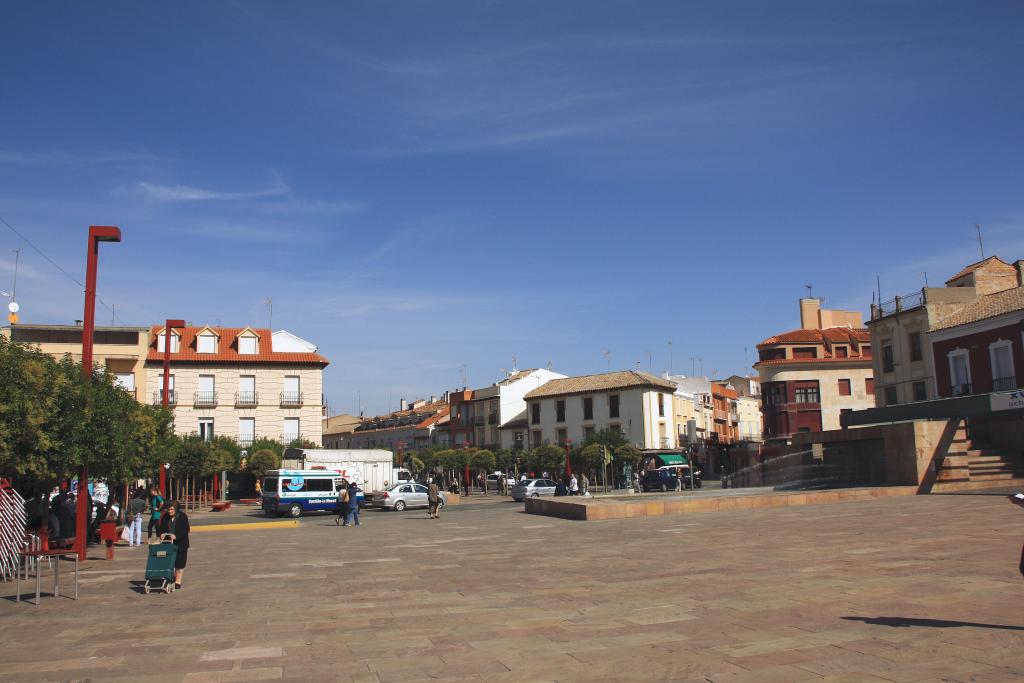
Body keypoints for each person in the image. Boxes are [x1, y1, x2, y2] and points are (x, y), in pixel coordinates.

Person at [160, 501, 190, 590]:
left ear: (176, 509)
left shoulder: (182, 516)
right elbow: (161, 528)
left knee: (179, 563)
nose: (170, 511)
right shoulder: (165, 517)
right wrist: (161, 534)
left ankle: (178, 581)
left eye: (172, 509)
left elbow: (186, 530)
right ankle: (170, 578)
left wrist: (176, 536)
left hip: (181, 543)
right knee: (169, 562)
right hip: (168, 543)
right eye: (168, 509)